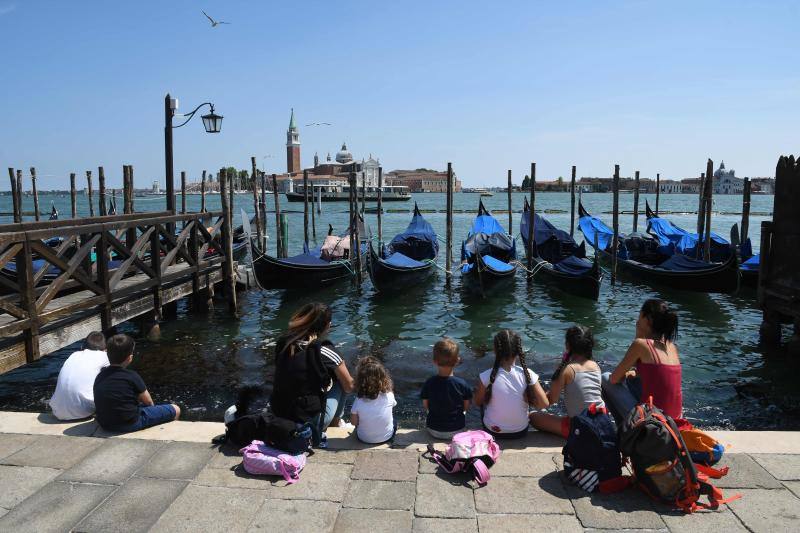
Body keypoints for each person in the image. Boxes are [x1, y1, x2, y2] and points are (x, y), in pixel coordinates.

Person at [271, 303, 354, 447]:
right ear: (328, 325)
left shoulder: (283, 343)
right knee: (341, 382)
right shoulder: (323, 349)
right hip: (309, 422)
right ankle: (335, 423)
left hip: (279, 412)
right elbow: (349, 386)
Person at [602, 299, 682, 425]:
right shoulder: (672, 347)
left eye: (639, 317)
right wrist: (632, 374)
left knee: (605, 377)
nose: (637, 321)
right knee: (632, 379)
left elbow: (614, 379)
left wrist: (638, 336)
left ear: (647, 320)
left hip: (654, 423)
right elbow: (655, 377)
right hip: (675, 423)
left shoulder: (641, 345)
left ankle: (624, 431)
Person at [93, 334, 180, 432]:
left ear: (107, 354)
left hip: (105, 424)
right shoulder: (132, 376)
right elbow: (149, 402)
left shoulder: (100, 375)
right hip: (129, 424)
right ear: (130, 358)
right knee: (175, 409)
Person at [530, 325, 605, 438]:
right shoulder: (595, 366)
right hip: (602, 422)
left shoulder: (567, 369)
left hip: (580, 428)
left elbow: (550, 400)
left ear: (567, 345)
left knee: (533, 417)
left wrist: (532, 398)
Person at [473, 329, 548, 439]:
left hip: (493, 431)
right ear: (519, 351)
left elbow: (477, 402)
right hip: (520, 431)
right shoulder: (528, 374)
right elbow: (544, 404)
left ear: (495, 350)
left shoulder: (486, 375)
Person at [49, 331, 109, 421]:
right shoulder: (104, 356)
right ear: (105, 349)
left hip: (57, 411)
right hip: (84, 411)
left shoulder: (73, 355)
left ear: (82, 347)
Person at [420, 338, 473, 439]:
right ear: (457, 361)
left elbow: (426, 405)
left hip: (433, 430)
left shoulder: (429, 383)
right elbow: (465, 407)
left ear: (434, 361)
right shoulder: (462, 384)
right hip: (457, 430)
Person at [350, 356, 397, 444]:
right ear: (384, 379)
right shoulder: (389, 395)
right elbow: (393, 405)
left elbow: (353, 422)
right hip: (387, 437)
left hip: (363, 438)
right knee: (394, 420)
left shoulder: (358, 400)